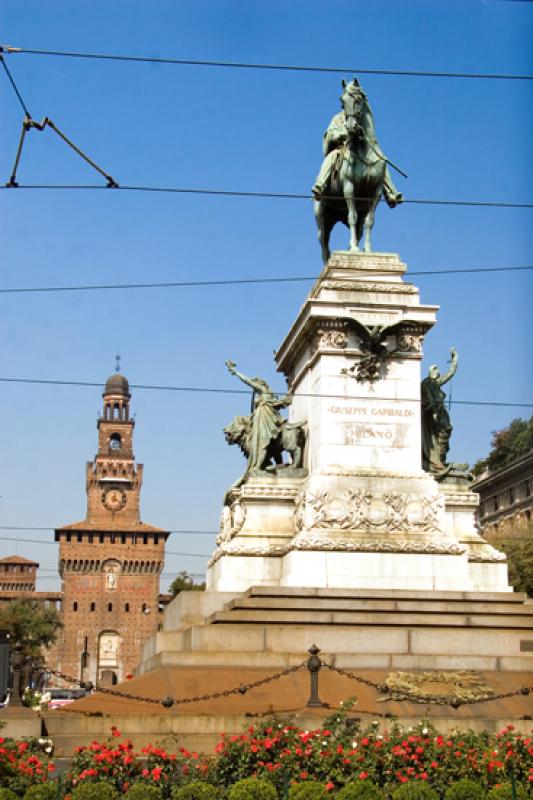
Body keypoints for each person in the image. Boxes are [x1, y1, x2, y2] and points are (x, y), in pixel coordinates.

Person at [312, 80, 403, 207]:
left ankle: (390, 191)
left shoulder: (359, 118)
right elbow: (329, 134)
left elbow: (369, 134)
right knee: (332, 157)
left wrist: (361, 133)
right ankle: (320, 184)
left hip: (360, 150)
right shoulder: (338, 118)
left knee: (379, 158)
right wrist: (340, 135)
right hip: (343, 149)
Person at [225, 361, 291, 473]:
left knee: (262, 441)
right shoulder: (264, 395)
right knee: (264, 440)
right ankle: (276, 463)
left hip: (265, 418)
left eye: (256, 384)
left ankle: (258, 467)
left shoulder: (264, 391)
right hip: (262, 417)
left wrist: (236, 372)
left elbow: (248, 381)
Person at [421, 347, 458, 473]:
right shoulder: (426, 383)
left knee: (445, 432)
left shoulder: (436, 383)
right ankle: (438, 463)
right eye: (435, 370)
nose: (437, 372)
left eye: (437, 370)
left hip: (441, 412)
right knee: (441, 434)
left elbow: (450, 374)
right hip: (434, 413)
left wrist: (454, 360)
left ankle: (440, 462)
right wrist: (433, 409)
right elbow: (428, 397)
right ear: (431, 372)